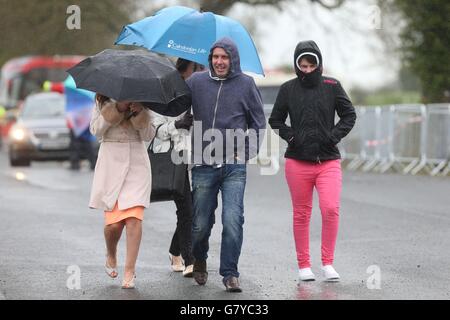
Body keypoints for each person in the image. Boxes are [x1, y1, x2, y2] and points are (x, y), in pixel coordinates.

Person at [269, 40, 356, 282]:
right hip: (297, 161)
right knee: (301, 213)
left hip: (328, 161)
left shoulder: (332, 85)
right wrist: (292, 136)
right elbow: (275, 120)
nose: (307, 69)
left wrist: (334, 135)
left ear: (319, 64)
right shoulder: (287, 88)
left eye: (311, 64)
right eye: (302, 65)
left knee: (330, 209)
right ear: (297, 65)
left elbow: (349, 114)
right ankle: (304, 265)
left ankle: (328, 263)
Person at [186, 37, 266, 292]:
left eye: (224, 57)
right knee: (200, 224)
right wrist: (182, 120)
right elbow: (177, 105)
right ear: (210, 59)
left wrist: (247, 153)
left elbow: (258, 122)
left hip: (234, 164)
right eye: (215, 57)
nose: (219, 62)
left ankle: (230, 273)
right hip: (203, 162)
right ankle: (199, 259)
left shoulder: (245, 84)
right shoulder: (196, 82)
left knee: (232, 220)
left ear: (232, 60)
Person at [89, 93, 155, 289]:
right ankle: (111, 252)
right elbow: (95, 130)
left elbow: (149, 135)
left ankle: (129, 271)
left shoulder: (143, 99)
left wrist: (140, 112)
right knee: (114, 226)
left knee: (134, 218)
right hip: (111, 163)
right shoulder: (102, 99)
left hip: (137, 163)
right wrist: (117, 108)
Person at [151, 58, 204, 277]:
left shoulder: (199, 93)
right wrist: (177, 124)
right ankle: (189, 259)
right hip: (173, 158)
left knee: (192, 208)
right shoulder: (164, 92)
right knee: (186, 208)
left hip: (195, 157)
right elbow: (155, 130)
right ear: (185, 69)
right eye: (197, 69)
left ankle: (175, 251)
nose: (200, 73)